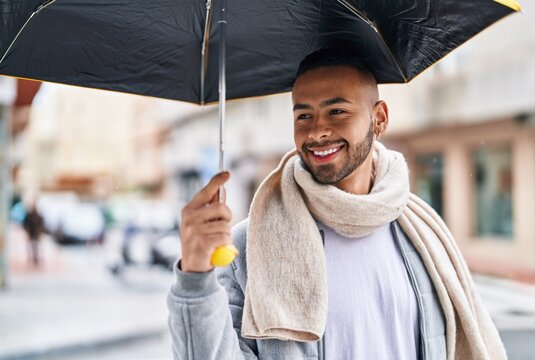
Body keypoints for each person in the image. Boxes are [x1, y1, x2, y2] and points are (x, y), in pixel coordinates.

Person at [167, 47, 507, 359]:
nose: (317, 132)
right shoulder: (251, 244)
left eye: (337, 111)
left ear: (379, 119)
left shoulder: (421, 231)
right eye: (303, 116)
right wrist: (195, 277)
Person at [22, 202, 44, 267]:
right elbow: (25, 223)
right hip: (31, 233)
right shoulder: (29, 215)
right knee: (31, 246)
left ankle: (35, 257)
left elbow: (41, 224)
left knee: (36, 246)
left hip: (36, 233)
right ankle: (31, 257)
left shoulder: (38, 216)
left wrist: (40, 231)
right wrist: (26, 229)